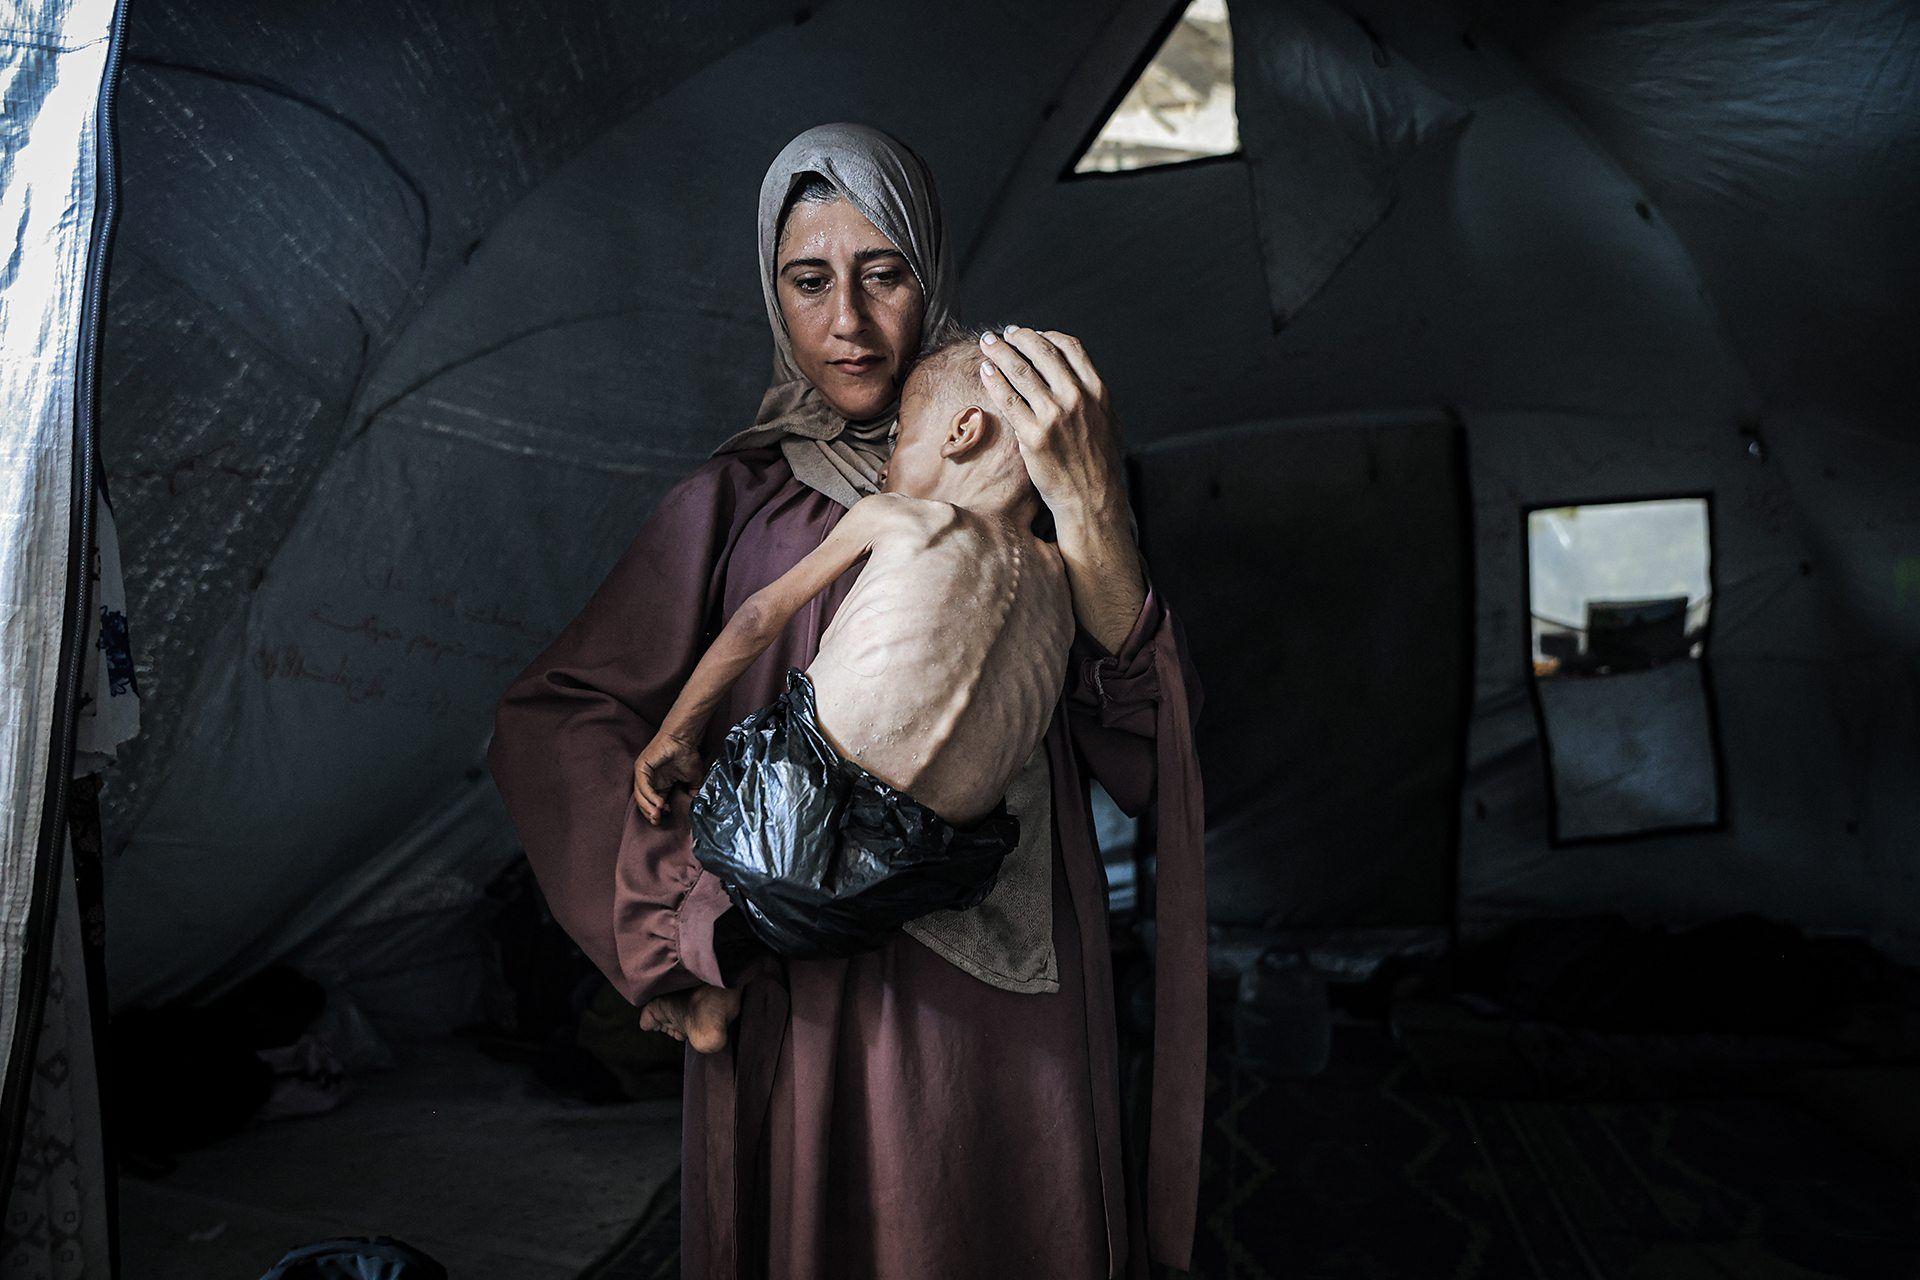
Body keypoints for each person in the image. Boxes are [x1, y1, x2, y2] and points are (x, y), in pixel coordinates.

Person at [486, 122, 1207, 1279]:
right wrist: (672, 928)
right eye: (809, 280)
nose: (849, 324)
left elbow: (1150, 752)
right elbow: (557, 718)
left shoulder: (1037, 488)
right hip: (797, 990)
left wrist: (1094, 509)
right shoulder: (739, 504)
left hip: (1003, 992)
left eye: (886, 273)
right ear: (773, 296)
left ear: (934, 274)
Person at [629, 326, 1077, 958]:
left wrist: (676, 732)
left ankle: (704, 979)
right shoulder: (1061, 577)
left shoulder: (897, 516)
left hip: (785, 819)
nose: (887, 463)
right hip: (925, 872)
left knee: (726, 826)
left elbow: (760, 618)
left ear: (962, 433)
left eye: (899, 439)